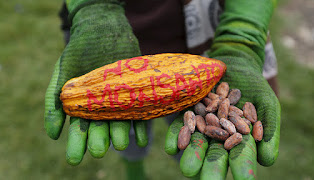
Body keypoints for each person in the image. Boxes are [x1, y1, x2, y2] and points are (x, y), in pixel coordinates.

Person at [45, 0, 281, 179]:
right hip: (107, 38)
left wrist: (242, 32)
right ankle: (135, 171)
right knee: (125, 131)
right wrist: (93, 5)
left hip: (201, 32)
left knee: (189, 140)